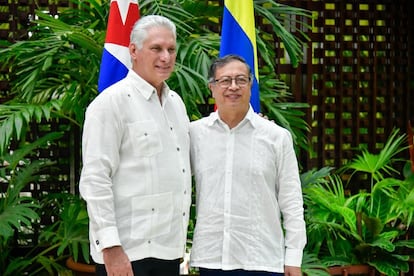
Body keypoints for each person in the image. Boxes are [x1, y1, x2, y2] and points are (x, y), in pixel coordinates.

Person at [79, 15, 191, 276]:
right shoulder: (109, 104)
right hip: (127, 254)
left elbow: (188, 161)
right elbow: (95, 180)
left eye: (171, 49)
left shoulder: (176, 103)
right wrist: (111, 247)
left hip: (169, 250)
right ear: (133, 51)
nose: (166, 57)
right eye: (156, 49)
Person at [189, 54, 306, 276]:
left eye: (240, 80)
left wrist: (293, 258)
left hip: (262, 260)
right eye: (225, 80)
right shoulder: (194, 134)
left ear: (250, 85)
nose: (233, 86)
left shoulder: (276, 137)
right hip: (211, 260)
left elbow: (291, 201)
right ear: (212, 88)